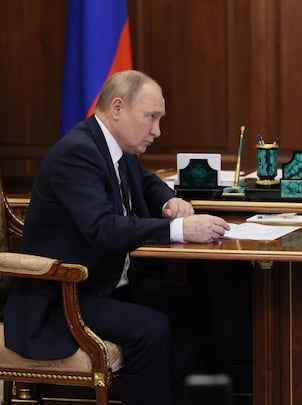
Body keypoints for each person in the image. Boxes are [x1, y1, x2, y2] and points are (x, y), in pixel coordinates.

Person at [3, 70, 230, 405]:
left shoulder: (113, 147)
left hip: (105, 285)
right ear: (118, 108)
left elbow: (147, 182)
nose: (157, 131)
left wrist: (169, 202)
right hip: (65, 296)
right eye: (151, 117)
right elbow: (102, 228)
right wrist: (180, 229)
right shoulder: (77, 153)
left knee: (189, 303)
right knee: (151, 328)